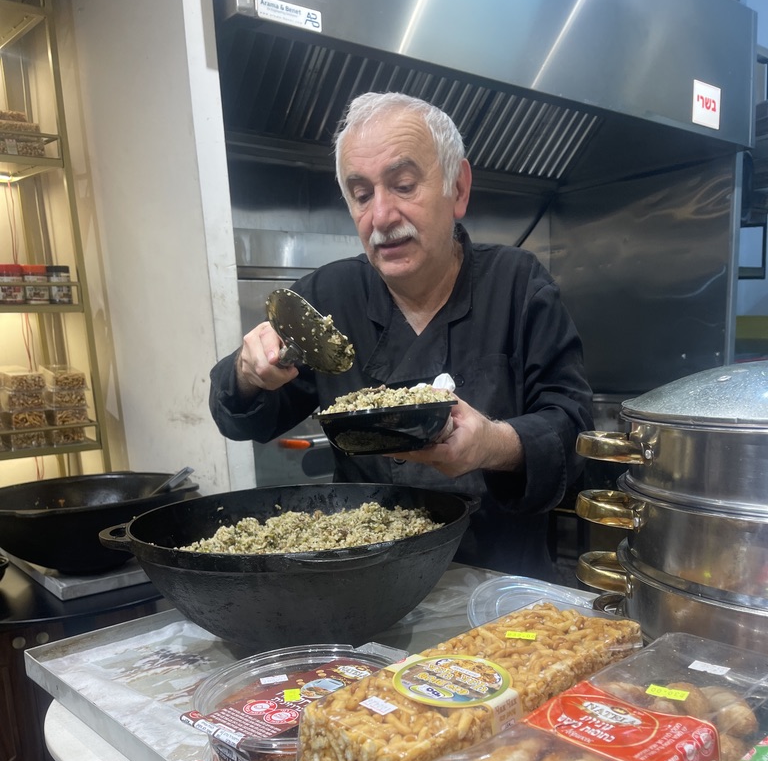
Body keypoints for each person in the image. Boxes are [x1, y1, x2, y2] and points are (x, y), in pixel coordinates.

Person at [209, 91, 593, 579]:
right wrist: (248, 374)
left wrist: (493, 443)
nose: (382, 217)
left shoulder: (519, 287)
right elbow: (238, 418)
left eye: (404, 185)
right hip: (366, 583)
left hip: (499, 587)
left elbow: (574, 432)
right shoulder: (329, 298)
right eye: (362, 194)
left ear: (458, 188)